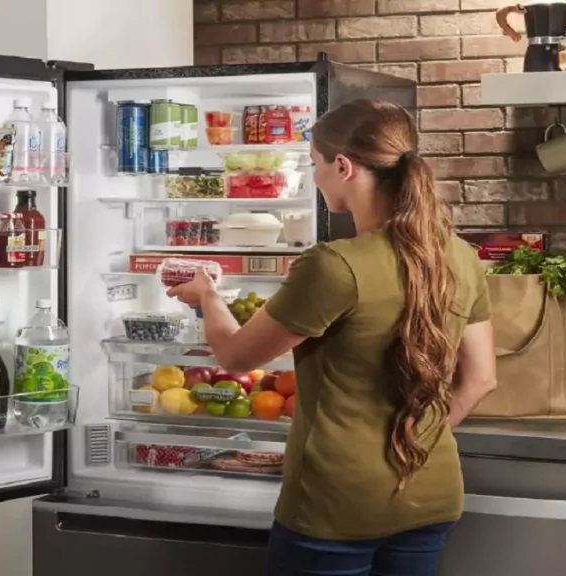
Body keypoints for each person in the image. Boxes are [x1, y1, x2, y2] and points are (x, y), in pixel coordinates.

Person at [166, 99, 498, 576]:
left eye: (314, 164)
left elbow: (237, 356)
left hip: (336, 505)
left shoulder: (335, 265)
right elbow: (481, 378)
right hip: (430, 492)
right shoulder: (460, 255)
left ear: (343, 166)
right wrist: (419, 436)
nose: (315, 177)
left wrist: (207, 297)